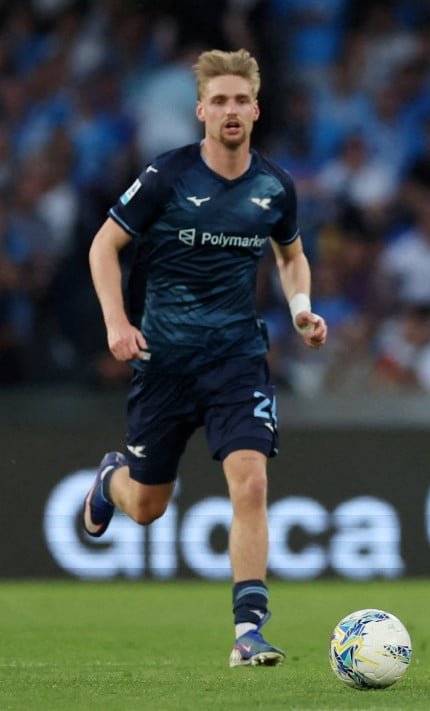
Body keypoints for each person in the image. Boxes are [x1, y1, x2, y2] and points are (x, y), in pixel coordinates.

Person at [82, 49, 327, 667]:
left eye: (240, 100)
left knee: (251, 481)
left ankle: (248, 632)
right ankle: (110, 481)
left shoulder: (274, 186)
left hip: (236, 359)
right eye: (219, 101)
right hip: (163, 361)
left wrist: (301, 308)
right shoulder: (166, 177)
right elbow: (103, 246)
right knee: (147, 506)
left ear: (256, 109)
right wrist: (116, 323)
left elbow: (291, 254)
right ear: (201, 111)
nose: (230, 110)